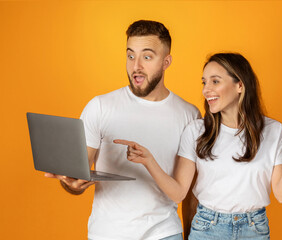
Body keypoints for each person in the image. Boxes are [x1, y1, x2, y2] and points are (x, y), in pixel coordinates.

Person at [115, 53, 282, 239]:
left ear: (240, 85)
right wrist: (149, 161)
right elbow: (178, 193)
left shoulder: (274, 131)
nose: (206, 90)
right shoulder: (196, 131)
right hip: (207, 228)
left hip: (254, 229)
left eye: (215, 81)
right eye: (204, 82)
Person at [45, 20, 200, 240]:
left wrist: (191, 236)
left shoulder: (189, 115)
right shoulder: (99, 107)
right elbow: (77, 176)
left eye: (147, 57)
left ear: (166, 62)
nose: (136, 65)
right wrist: (71, 184)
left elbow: (189, 190)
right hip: (107, 234)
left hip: (164, 233)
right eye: (130, 56)